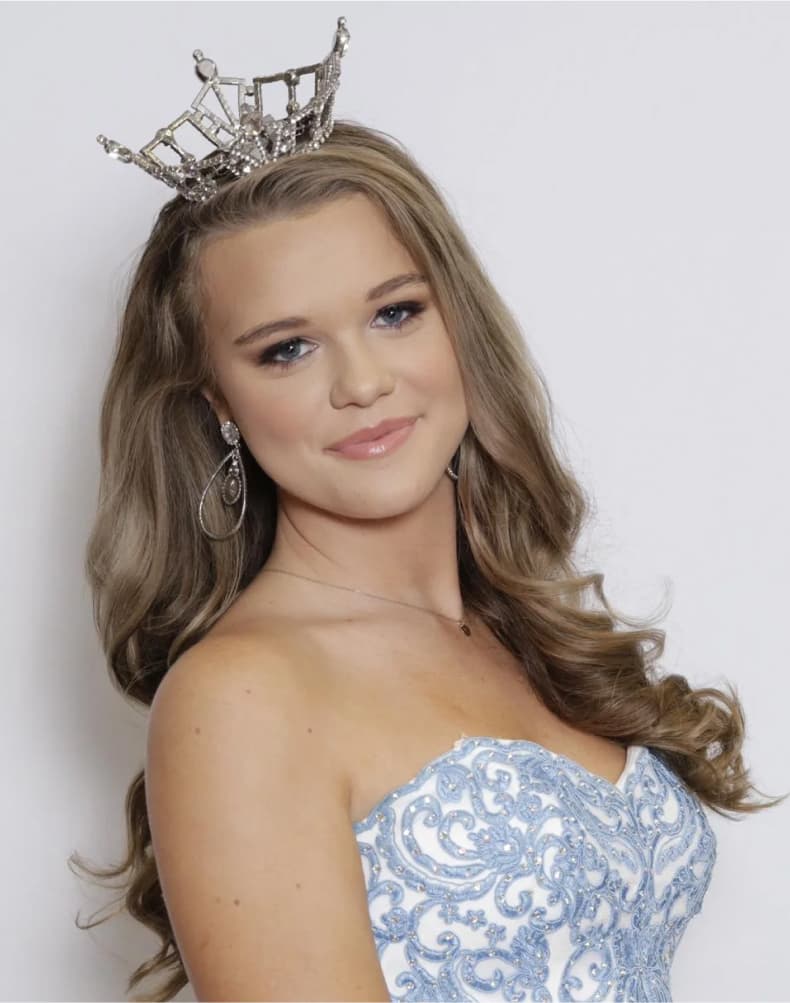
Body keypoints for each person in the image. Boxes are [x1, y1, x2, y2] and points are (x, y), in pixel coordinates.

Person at [70, 15, 785, 1003]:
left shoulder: (512, 629)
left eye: (394, 312)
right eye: (287, 347)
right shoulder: (243, 695)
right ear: (218, 400)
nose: (362, 381)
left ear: (457, 322)